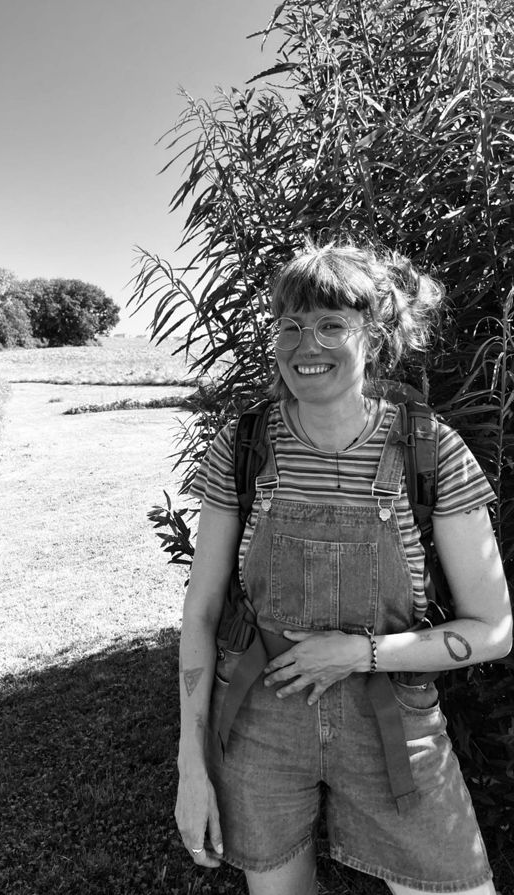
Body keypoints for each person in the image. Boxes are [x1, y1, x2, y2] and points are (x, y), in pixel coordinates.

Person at [175, 242, 512, 895]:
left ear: (375, 335)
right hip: (259, 718)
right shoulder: (243, 447)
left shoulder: (429, 449)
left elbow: (494, 629)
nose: (307, 344)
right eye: (290, 325)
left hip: (393, 721)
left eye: (331, 324)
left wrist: (359, 654)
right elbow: (202, 612)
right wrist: (192, 763)